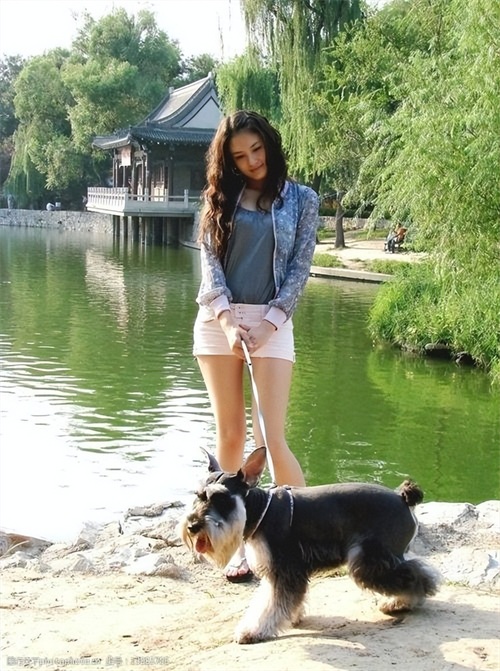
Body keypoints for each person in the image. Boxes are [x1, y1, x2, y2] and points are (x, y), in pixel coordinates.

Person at [193, 110, 320, 581]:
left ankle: (305, 536)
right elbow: (211, 266)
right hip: (218, 322)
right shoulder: (219, 199)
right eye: (240, 156)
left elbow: (300, 269)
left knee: (270, 437)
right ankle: (232, 544)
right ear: (228, 161)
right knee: (229, 436)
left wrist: (270, 322)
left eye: (257, 149)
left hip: (272, 321)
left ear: (270, 144)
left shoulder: (302, 199)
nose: (252, 161)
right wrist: (228, 322)